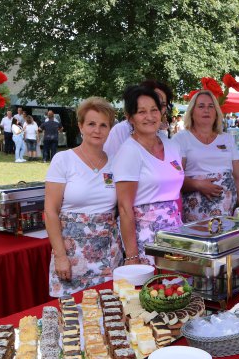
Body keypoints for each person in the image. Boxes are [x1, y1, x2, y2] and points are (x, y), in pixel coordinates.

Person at [44, 97, 122, 297]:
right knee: (71, 318)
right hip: (72, 255)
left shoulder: (117, 163)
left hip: (108, 254)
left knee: (108, 312)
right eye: (91, 124)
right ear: (80, 126)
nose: (97, 130)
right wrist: (61, 256)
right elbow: (51, 212)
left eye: (103, 125)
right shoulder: (63, 159)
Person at [113, 86, 184, 265]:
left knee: (178, 290)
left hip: (176, 236)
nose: (150, 117)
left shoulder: (173, 147)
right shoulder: (129, 152)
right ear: (130, 118)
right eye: (142, 112)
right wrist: (132, 256)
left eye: (154, 110)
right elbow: (124, 207)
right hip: (146, 239)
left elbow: (177, 193)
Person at [173, 90, 239, 222]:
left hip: (228, 213)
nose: (206, 110)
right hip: (195, 213)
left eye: (210, 106)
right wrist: (198, 184)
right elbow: (174, 178)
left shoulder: (227, 139)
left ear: (216, 112)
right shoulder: (181, 139)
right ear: (192, 111)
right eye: (201, 106)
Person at [103, 79, 173, 160]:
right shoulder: (121, 130)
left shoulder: (162, 135)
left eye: (162, 105)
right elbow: (108, 163)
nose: (157, 109)